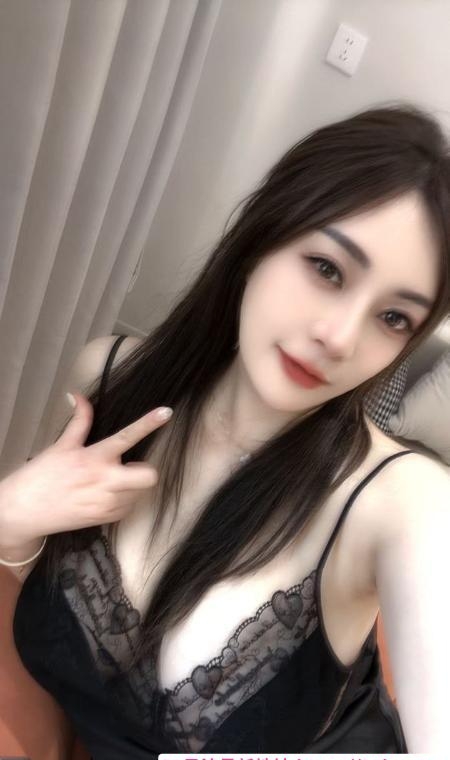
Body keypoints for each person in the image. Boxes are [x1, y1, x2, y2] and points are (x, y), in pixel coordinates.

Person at [1, 102, 449, 758]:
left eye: (393, 318)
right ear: (260, 240)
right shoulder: (110, 378)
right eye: (327, 269)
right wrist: (9, 519)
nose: (339, 337)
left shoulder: (405, 504)